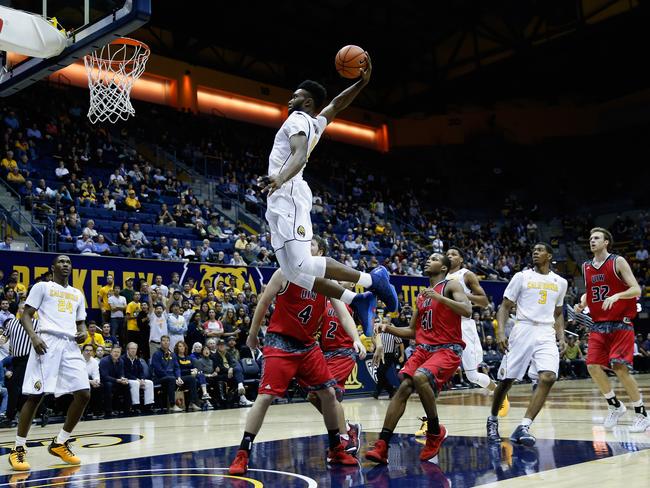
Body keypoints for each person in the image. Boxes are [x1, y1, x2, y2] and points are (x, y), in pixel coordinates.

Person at [257, 55, 396, 333]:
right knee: (295, 274)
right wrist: (360, 83)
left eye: (295, 97)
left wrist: (280, 178)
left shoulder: (297, 119)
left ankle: (373, 280)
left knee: (304, 263)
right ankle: (357, 299)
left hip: (288, 192)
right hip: (281, 196)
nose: (290, 100)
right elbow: (336, 105)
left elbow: (297, 155)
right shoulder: (315, 123)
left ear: (306, 103)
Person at [229, 238, 364, 475]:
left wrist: (356, 338)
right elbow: (263, 303)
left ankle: (336, 448)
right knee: (265, 397)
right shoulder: (285, 272)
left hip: (307, 345)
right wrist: (252, 335)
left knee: (329, 394)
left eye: (310, 244)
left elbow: (344, 314)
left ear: (320, 252)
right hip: (280, 342)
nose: (304, 246)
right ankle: (243, 453)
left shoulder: (327, 281)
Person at [365, 253, 471, 464]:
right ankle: (383, 445)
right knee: (403, 387)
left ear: (443, 268)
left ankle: (434, 431)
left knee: (421, 377)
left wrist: (440, 298)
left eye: (433, 259)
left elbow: (467, 310)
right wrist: (388, 328)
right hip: (425, 349)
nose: (427, 260)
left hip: (447, 349)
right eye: (427, 258)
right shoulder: (422, 297)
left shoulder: (451, 286)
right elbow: (413, 331)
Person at [9, 255, 90, 471]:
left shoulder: (77, 294)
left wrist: (82, 333)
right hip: (47, 341)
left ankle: (60, 442)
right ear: (52, 267)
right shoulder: (42, 286)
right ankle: (17, 449)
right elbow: (25, 315)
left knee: (83, 394)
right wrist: (34, 337)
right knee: (35, 396)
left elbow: (80, 323)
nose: (65, 264)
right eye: (61, 262)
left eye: (68, 262)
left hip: (70, 345)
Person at [486, 243, 567, 446]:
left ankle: (524, 426)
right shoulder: (521, 277)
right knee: (507, 381)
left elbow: (558, 314)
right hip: (522, 329)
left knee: (548, 377)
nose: (535, 252)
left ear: (549, 255)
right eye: (534, 250)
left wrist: (562, 337)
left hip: (546, 332)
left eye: (540, 250)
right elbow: (504, 307)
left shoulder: (560, 282)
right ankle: (493, 419)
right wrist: (500, 332)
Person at [575, 228, 648, 432]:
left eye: (596, 238)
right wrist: (582, 302)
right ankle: (615, 406)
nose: (592, 241)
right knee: (592, 366)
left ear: (606, 242)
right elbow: (591, 292)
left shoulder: (617, 261)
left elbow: (636, 289)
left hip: (620, 323)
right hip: (599, 324)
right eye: (590, 238)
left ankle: (642, 413)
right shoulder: (586, 266)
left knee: (619, 368)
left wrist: (617, 296)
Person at [446, 248, 509, 411]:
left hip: (463, 325)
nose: (449, 256)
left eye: (453, 254)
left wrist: (461, 295)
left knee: (472, 375)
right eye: (447, 254)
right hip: (445, 327)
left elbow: (483, 301)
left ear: (460, 259)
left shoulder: (466, 275)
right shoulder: (440, 277)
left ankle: (499, 392)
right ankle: (430, 423)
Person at [99, 345, 131, 417]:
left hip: (116, 381)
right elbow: (104, 376)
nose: (116, 354)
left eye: (118, 352)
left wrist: (123, 379)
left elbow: (121, 373)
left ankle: (127, 409)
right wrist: (117, 380)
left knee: (126, 384)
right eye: (115, 352)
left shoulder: (121, 361)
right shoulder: (104, 361)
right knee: (108, 385)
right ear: (111, 352)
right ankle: (108, 410)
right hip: (104, 381)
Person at [122, 342, 154, 412]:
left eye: (135, 349)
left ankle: (148, 405)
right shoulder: (123, 359)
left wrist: (142, 379)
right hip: (128, 379)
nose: (133, 350)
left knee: (150, 383)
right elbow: (125, 373)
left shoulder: (137, 359)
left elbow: (141, 371)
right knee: (135, 383)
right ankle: (135, 406)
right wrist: (137, 379)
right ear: (128, 349)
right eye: (132, 348)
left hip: (137, 379)